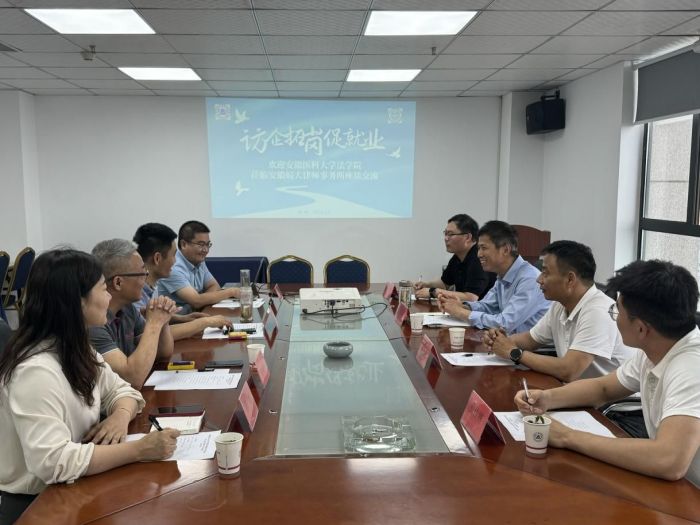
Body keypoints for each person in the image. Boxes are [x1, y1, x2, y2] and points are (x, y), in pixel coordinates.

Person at [0, 249, 179, 524]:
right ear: (78, 302)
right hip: (38, 505)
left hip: (78, 486)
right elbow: (53, 462)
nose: (108, 297)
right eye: (102, 289)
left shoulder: (76, 348)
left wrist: (120, 417)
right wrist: (140, 449)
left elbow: (123, 390)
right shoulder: (34, 371)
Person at [514, 260, 700, 486]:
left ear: (641, 328)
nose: (614, 316)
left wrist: (566, 436)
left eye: (617, 310)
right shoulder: (657, 347)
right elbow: (603, 388)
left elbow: (669, 460)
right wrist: (547, 398)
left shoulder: (691, 367)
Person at [484, 241, 636, 382]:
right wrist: (500, 340)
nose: (539, 279)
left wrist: (514, 353)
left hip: (610, 401)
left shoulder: (598, 311)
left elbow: (569, 370)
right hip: (576, 391)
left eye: (545, 273)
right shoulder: (560, 305)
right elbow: (530, 340)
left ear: (570, 279)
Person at [89, 239, 177, 389]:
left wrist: (164, 320)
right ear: (118, 282)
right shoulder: (93, 322)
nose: (146, 278)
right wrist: (154, 323)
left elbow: (162, 353)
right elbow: (132, 378)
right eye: (142, 273)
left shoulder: (127, 309)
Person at [438, 220, 549, 333]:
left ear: (505, 249)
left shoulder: (530, 279)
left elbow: (504, 324)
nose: (479, 254)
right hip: (505, 340)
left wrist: (461, 312)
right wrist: (462, 306)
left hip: (526, 343)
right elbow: (488, 306)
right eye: (478, 248)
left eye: (484, 248)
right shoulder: (503, 275)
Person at [133, 223, 232, 340]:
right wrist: (205, 322)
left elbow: (151, 319)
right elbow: (149, 335)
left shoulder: (149, 286)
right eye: (173, 255)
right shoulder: (134, 293)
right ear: (157, 258)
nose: (175, 261)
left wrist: (183, 319)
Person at [157, 220, 240, 314]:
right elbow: (196, 301)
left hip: (194, 316)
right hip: (177, 321)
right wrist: (231, 292)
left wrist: (201, 302)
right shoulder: (172, 267)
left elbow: (214, 286)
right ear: (184, 244)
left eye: (208, 244)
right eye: (201, 244)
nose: (206, 250)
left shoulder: (198, 260)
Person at [414, 214, 495, 301]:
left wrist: (433, 292)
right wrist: (427, 284)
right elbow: (445, 283)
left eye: (450, 234)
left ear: (468, 237)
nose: (446, 238)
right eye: (445, 234)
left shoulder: (478, 258)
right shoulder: (457, 256)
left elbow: (471, 298)